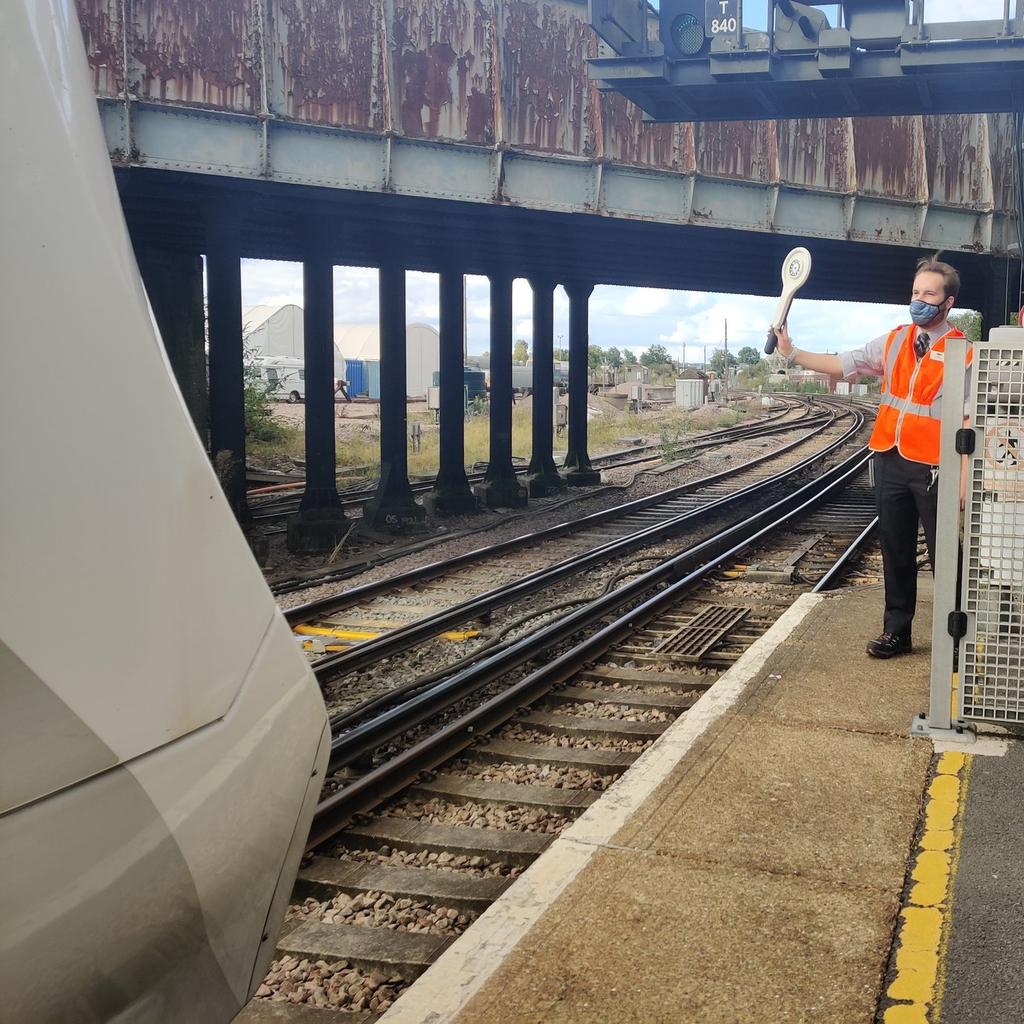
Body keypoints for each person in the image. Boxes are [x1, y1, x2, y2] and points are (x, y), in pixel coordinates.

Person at [774, 256, 973, 659]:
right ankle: (896, 632)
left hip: (936, 467)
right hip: (889, 459)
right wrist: (792, 353)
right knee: (895, 549)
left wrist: (965, 481)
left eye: (929, 294)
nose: (919, 301)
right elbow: (843, 364)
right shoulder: (895, 340)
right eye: (915, 292)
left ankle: (954, 641)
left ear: (948, 302)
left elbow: (969, 420)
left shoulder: (964, 353)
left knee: (946, 556)